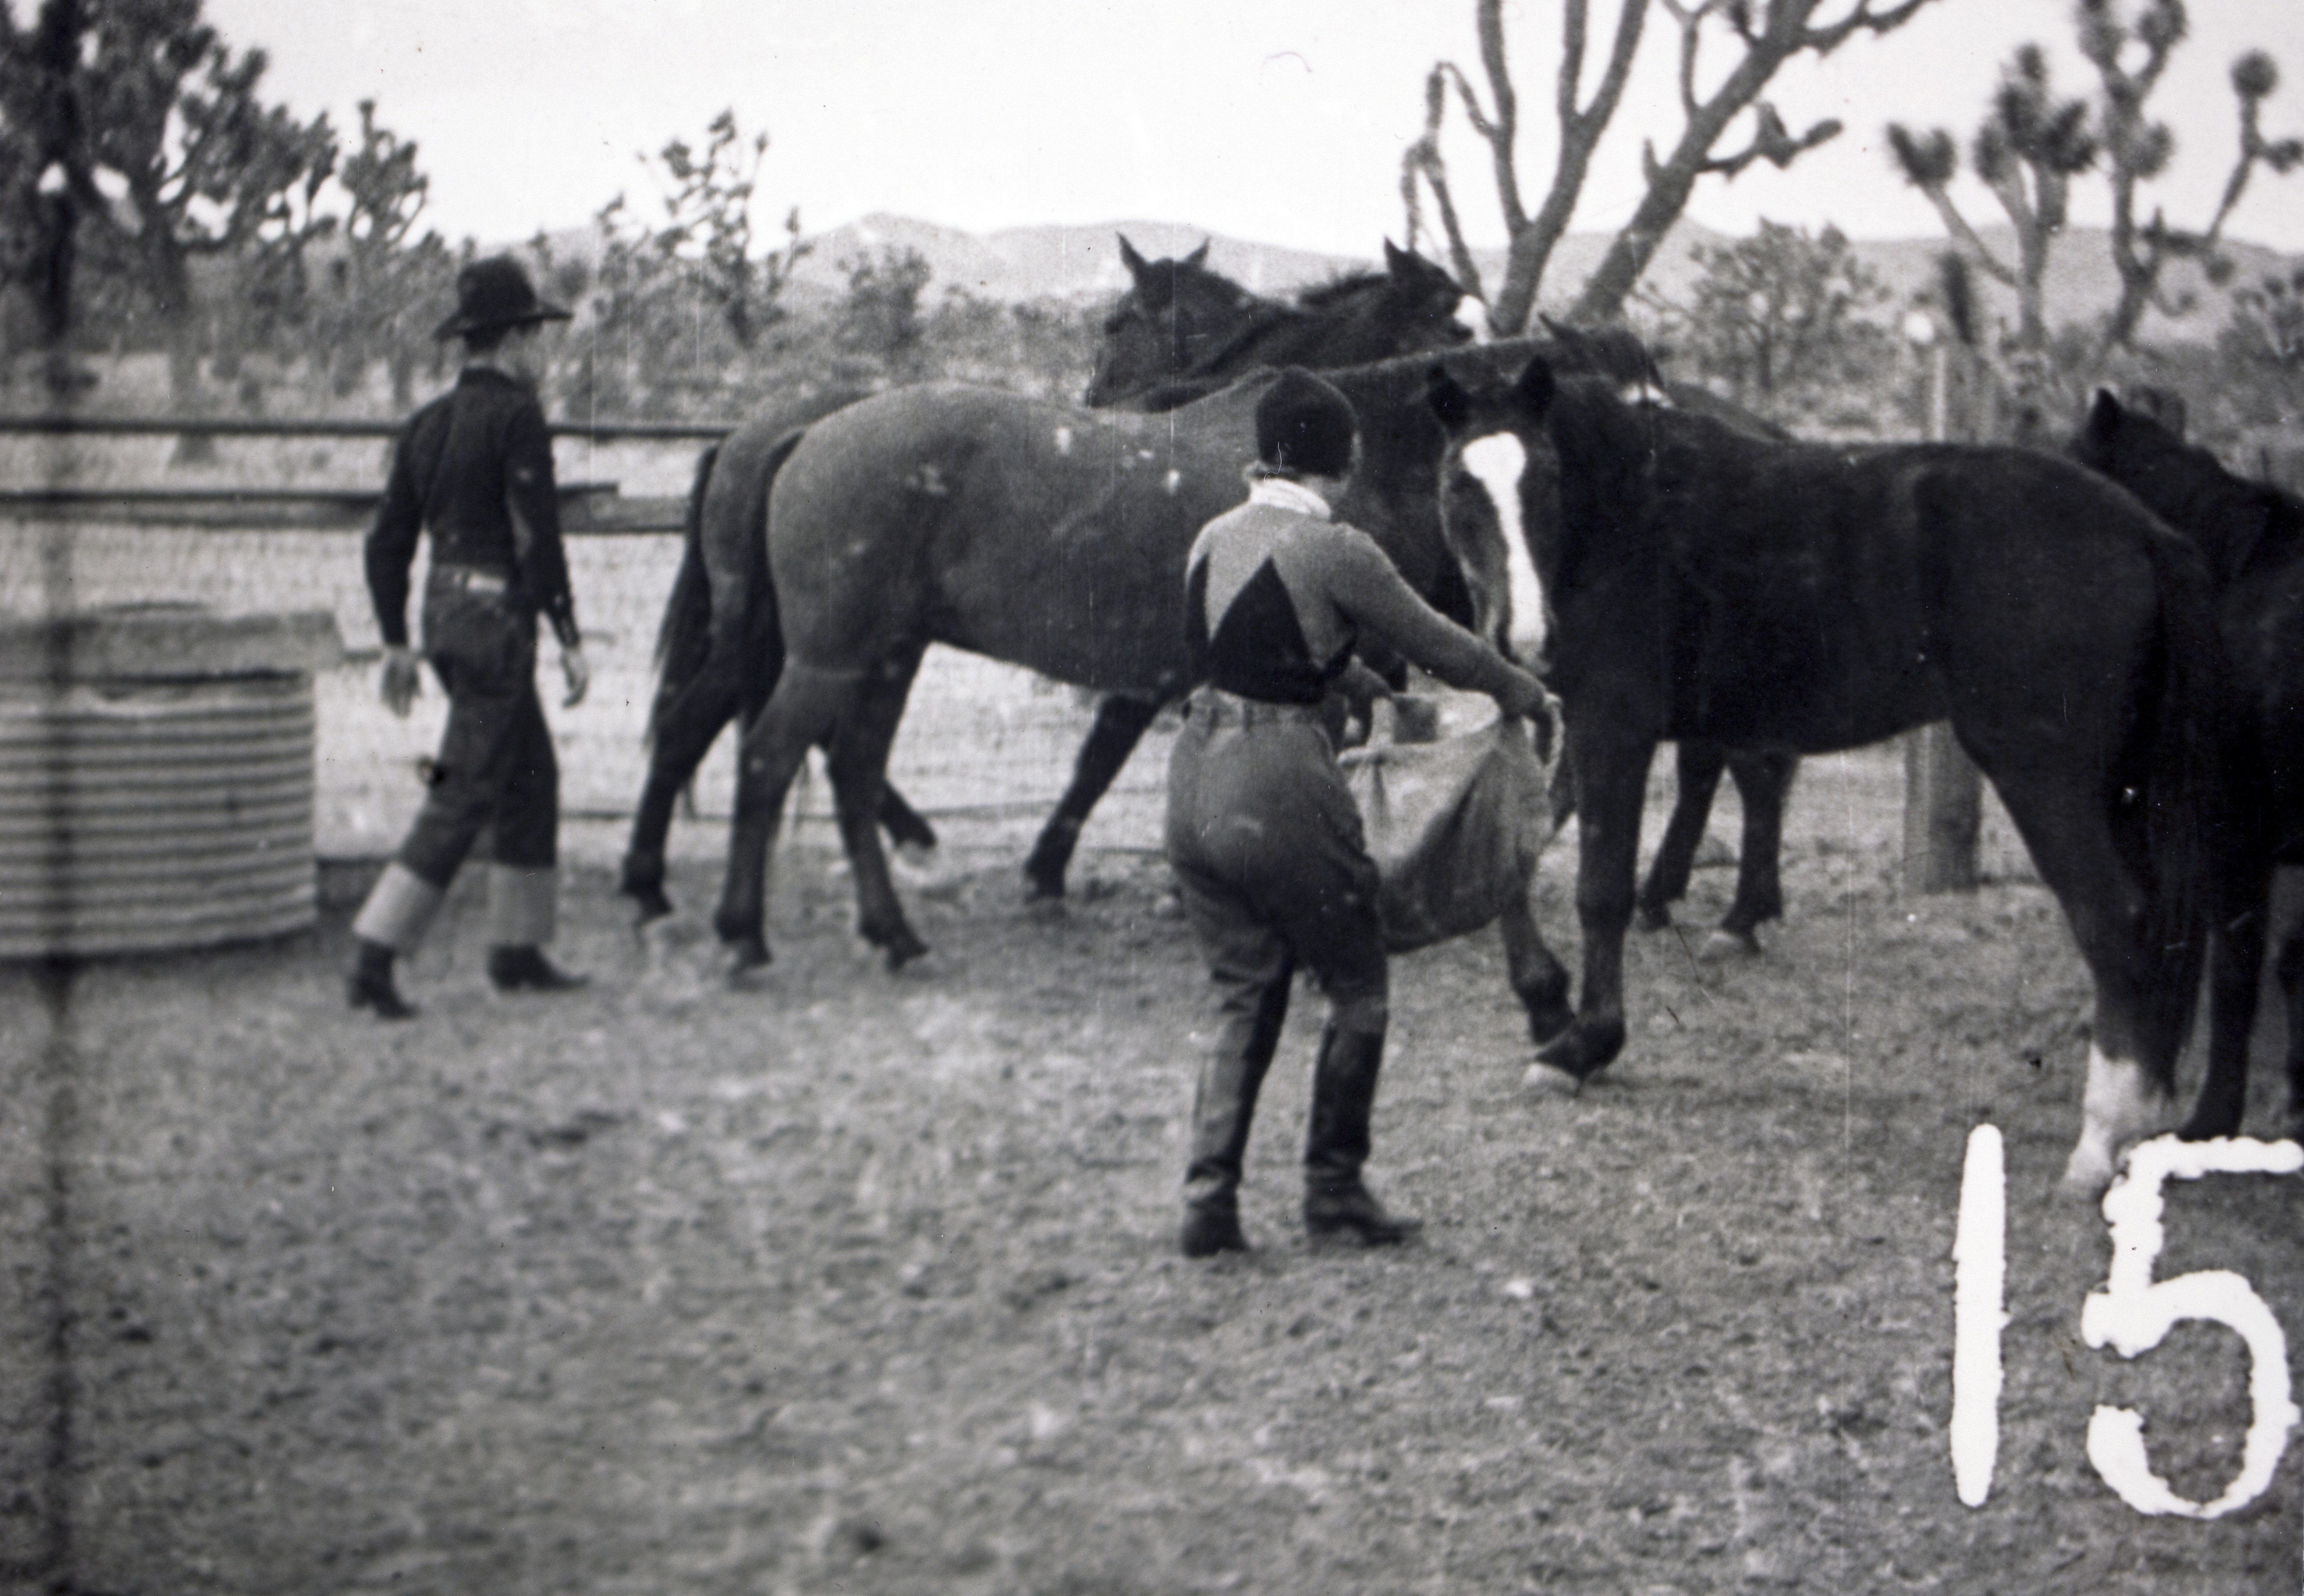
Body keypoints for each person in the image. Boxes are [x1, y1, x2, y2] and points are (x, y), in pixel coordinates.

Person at [1167, 366, 1549, 1257]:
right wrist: (1522, 691)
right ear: (1340, 457)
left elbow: (1254, 643)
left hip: (1192, 782)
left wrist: (1357, 679)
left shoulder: (1211, 537)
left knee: (1239, 993)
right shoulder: (1338, 548)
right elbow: (1442, 643)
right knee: (1358, 983)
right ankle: (1333, 1192)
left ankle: (1209, 1202)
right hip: (1282, 778)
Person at [345, 255, 592, 1019]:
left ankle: (516, 952)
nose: (539, 351)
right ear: (516, 337)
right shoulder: (518, 416)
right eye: (534, 335)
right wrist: (569, 634)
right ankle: (373, 959)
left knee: (531, 777)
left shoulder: (426, 424)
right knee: (463, 790)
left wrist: (395, 642)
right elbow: (534, 536)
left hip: (443, 618)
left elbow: (386, 543)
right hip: (496, 625)